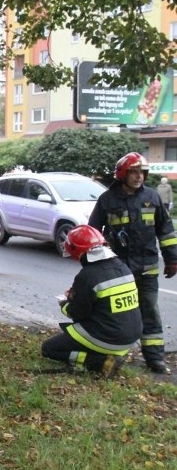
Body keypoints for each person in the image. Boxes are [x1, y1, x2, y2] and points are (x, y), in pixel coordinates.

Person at [88, 152, 176, 373]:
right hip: (118, 270)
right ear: (122, 174)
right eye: (134, 172)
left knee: (150, 312)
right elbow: (93, 232)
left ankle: (155, 359)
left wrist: (172, 259)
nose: (139, 177)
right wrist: (94, 262)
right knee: (116, 313)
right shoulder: (107, 200)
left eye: (142, 173)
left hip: (147, 269)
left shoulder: (152, 197)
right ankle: (113, 354)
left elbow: (166, 231)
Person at [41, 225, 142, 377]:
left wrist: (65, 303)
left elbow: (77, 313)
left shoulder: (87, 275)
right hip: (130, 339)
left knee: (49, 348)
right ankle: (107, 356)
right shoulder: (123, 267)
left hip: (108, 339)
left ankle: (101, 362)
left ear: (77, 251)